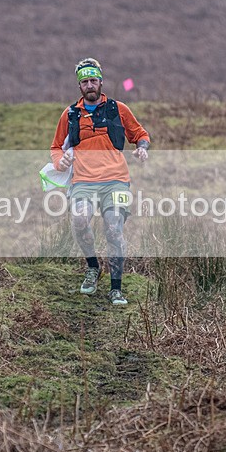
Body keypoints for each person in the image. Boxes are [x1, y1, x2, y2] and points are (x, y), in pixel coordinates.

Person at [50, 58, 150, 306]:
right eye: (85, 82)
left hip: (116, 180)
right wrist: (60, 161)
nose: (89, 85)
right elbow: (56, 147)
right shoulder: (70, 114)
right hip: (83, 181)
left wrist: (142, 148)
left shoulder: (118, 109)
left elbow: (140, 134)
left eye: (93, 80)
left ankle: (116, 289)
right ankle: (93, 267)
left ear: (101, 82)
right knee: (79, 220)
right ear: (79, 85)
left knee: (114, 229)